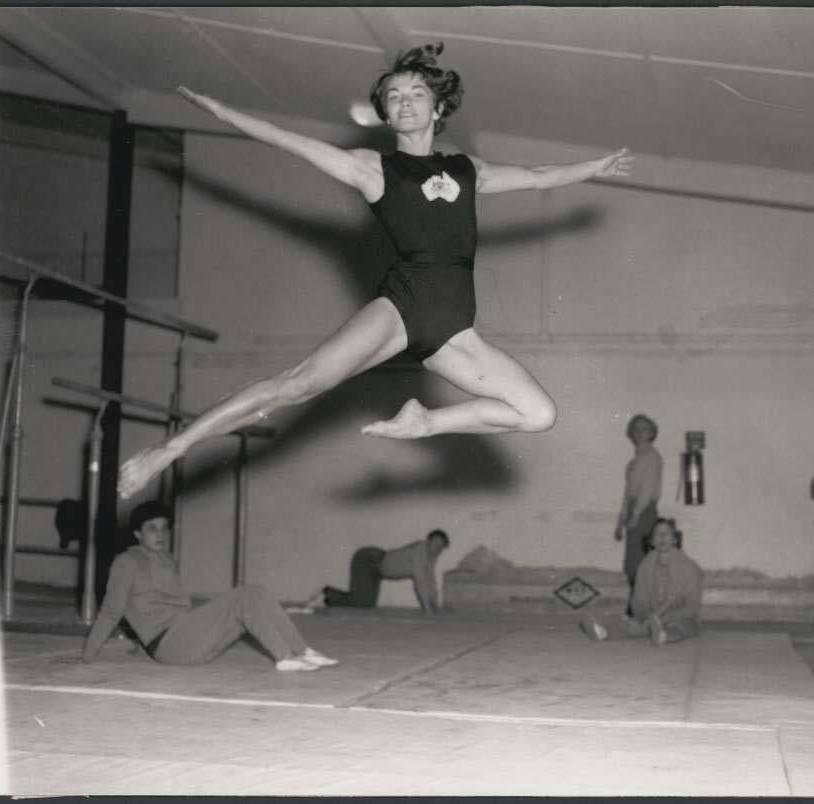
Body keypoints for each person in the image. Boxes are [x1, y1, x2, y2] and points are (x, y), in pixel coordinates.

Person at [117, 43, 634, 500]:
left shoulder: (466, 170)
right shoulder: (372, 169)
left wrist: (593, 168)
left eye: (415, 94)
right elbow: (285, 141)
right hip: (404, 304)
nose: (404, 102)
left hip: (455, 328)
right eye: (394, 97)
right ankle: (169, 451)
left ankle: (425, 422)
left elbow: (539, 177)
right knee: (295, 386)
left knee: (538, 414)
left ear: (438, 107)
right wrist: (221, 112)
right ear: (386, 114)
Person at [82, 500, 338, 671]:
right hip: (170, 644)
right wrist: (88, 654)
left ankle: (302, 649)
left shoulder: (166, 560)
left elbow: (172, 607)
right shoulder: (126, 561)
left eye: (164, 528)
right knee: (243, 596)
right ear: (137, 533)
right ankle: (284, 658)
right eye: (152, 529)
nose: (160, 535)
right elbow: (111, 612)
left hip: (185, 638)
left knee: (256, 591)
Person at [583, 517, 702, 645]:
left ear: (675, 540)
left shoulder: (689, 567)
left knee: (684, 626)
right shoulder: (645, 566)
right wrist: (646, 616)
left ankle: (664, 635)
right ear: (652, 542)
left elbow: (692, 607)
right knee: (632, 624)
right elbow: (638, 602)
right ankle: (603, 632)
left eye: (666, 533)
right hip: (651, 617)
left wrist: (665, 618)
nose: (662, 537)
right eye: (657, 534)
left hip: (678, 616)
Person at [315, 529, 449, 612]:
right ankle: (327, 593)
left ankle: (329, 596)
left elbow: (431, 581)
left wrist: (436, 606)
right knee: (360, 604)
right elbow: (420, 581)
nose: (437, 549)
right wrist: (428, 609)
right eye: (435, 544)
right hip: (367, 559)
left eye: (440, 547)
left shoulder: (431, 557)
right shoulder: (420, 551)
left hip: (377, 568)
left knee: (365, 606)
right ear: (428, 541)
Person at [615, 413, 663, 606]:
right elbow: (628, 494)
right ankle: (638, 606)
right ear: (631, 434)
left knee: (640, 563)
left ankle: (641, 608)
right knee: (632, 563)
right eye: (636, 429)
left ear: (652, 433)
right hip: (635, 510)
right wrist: (621, 522)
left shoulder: (652, 457)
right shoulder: (635, 460)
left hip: (645, 511)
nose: (640, 433)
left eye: (644, 429)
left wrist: (636, 515)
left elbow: (648, 489)